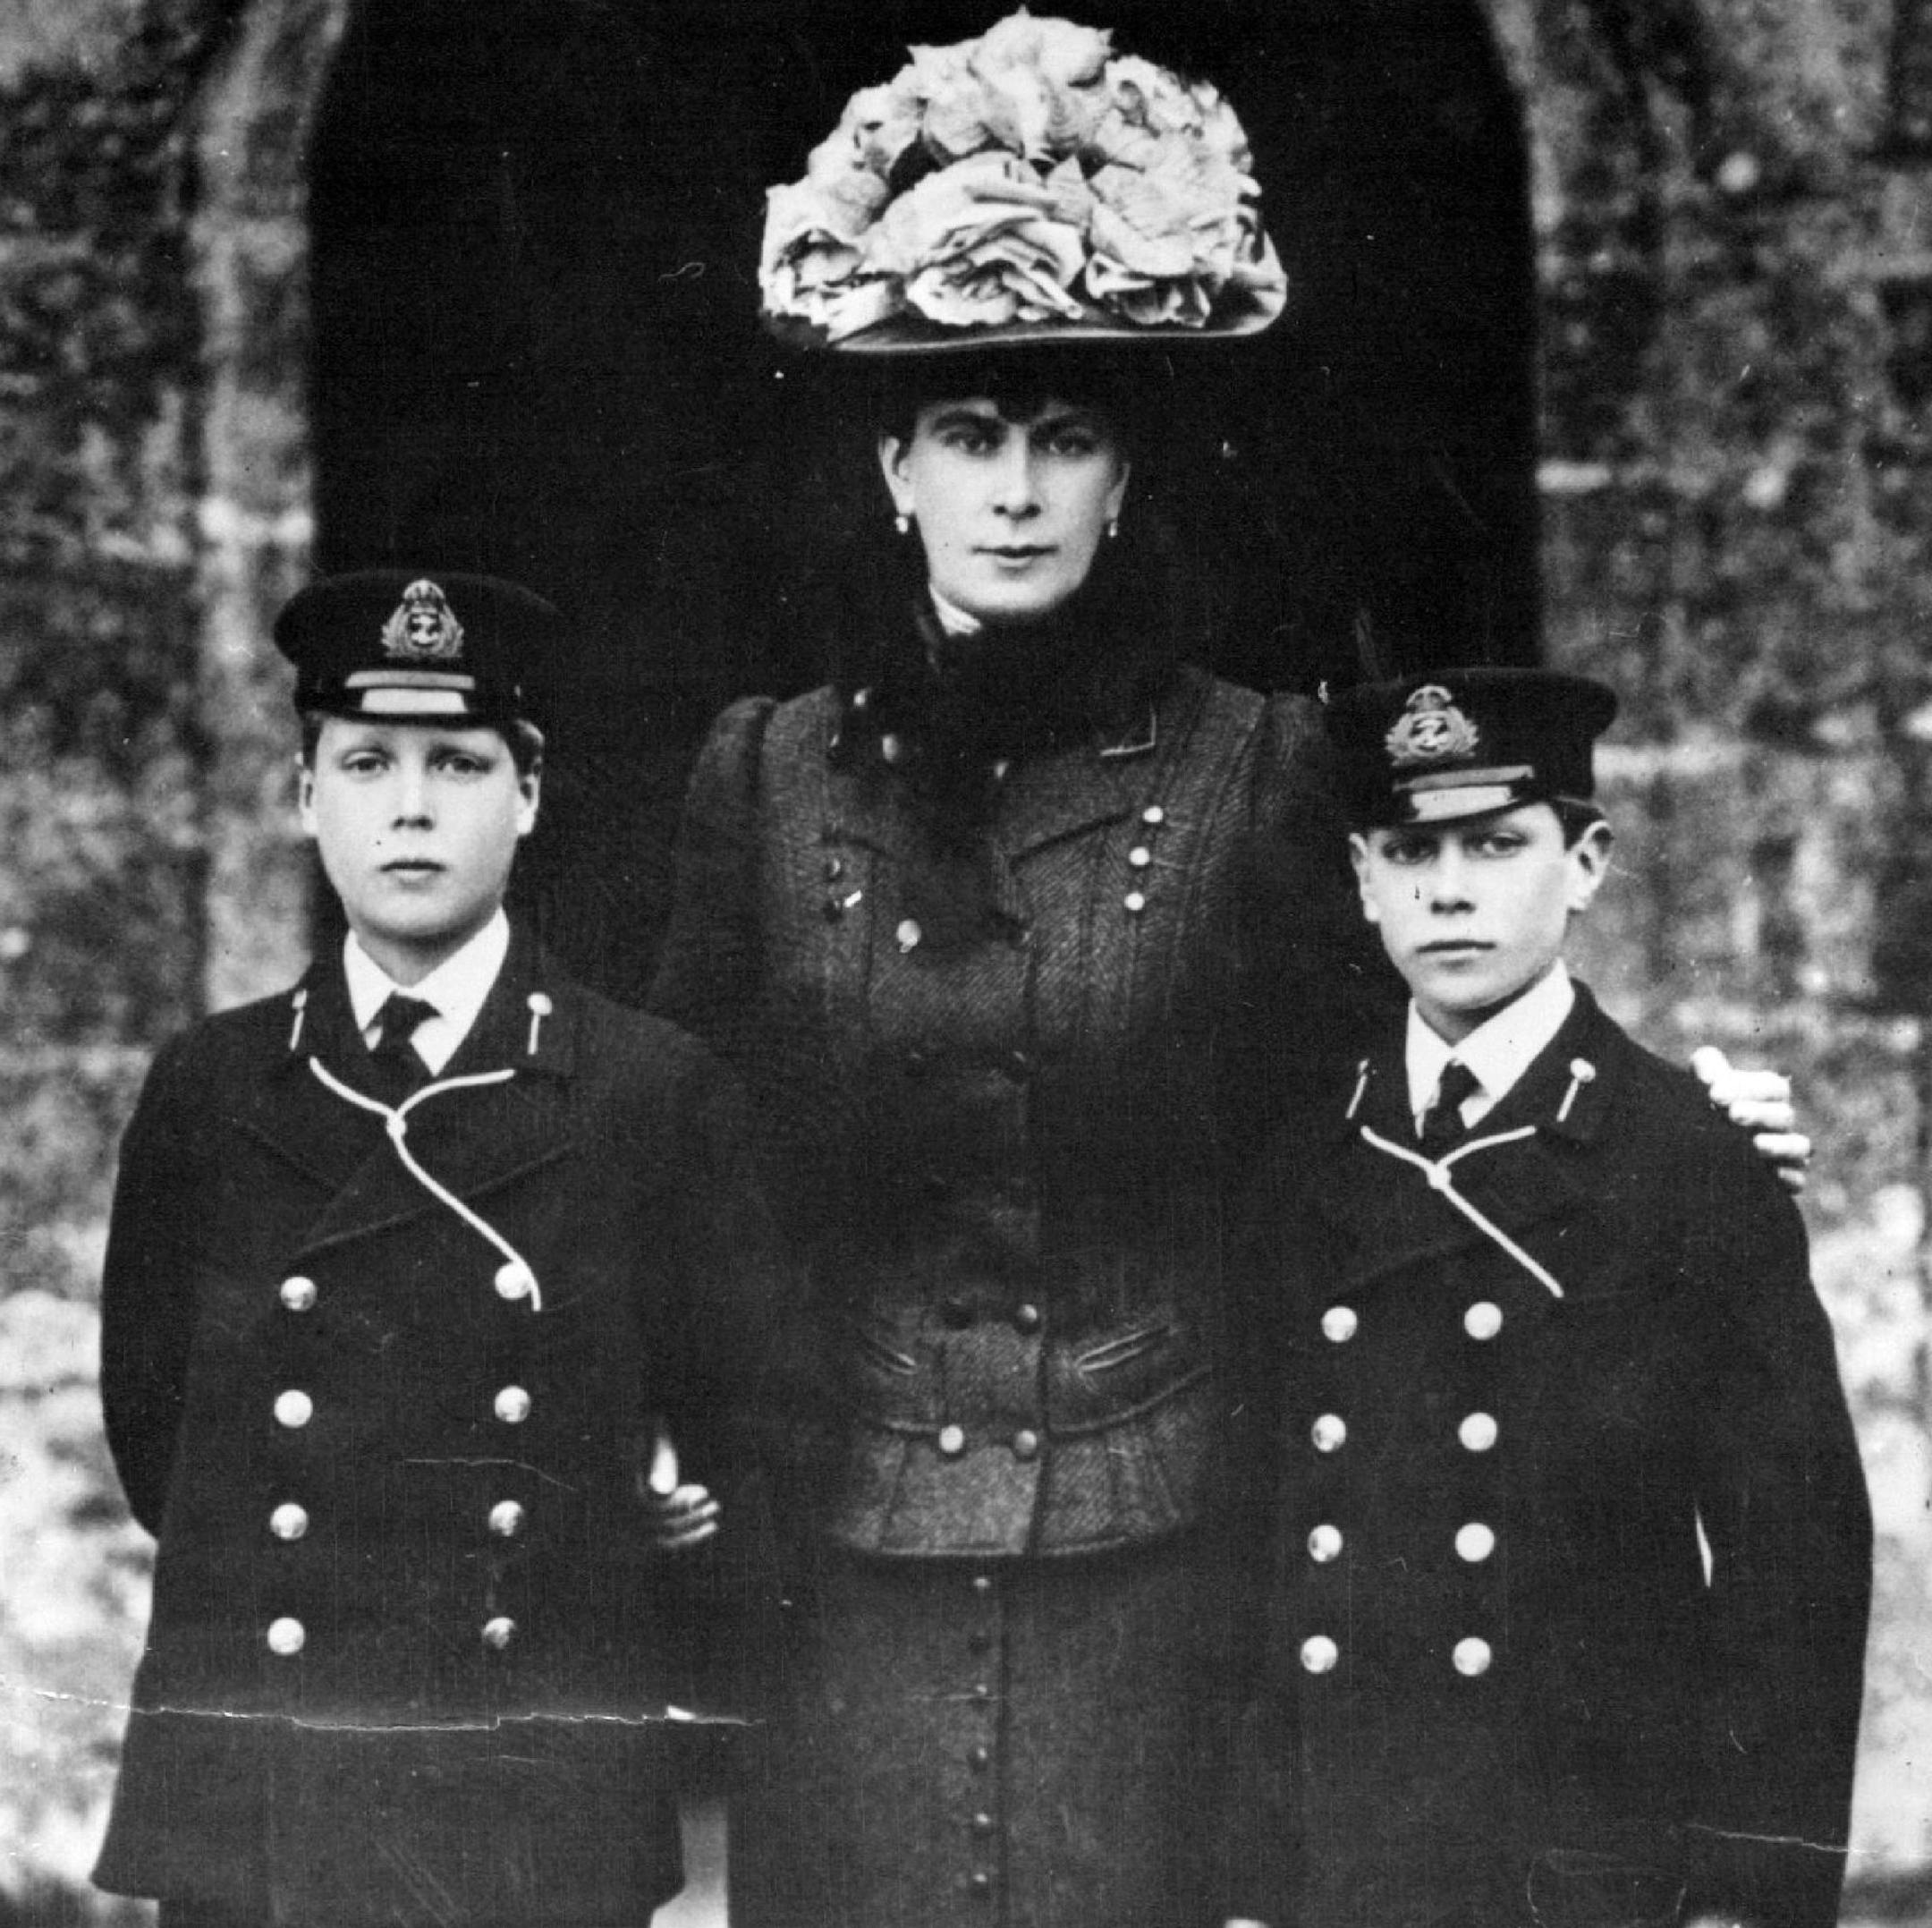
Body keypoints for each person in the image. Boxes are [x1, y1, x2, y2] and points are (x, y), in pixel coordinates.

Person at [659, 16, 1809, 1924]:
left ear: (1125, 481)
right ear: (894, 470)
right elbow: (670, 1138)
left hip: (1167, 1564)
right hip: (843, 1571)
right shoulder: (765, 775)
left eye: (1065, 435)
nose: (1014, 488)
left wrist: (1676, 1134)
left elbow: (1404, 1114)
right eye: (967, 434)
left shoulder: (1258, 765)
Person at [93, 570, 776, 1928]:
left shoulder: (645, 1092)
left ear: (528, 794)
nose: (411, 805)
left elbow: (729, 1428)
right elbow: (153, 1432)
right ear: (304, 797)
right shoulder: (214, 1089)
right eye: (366, 763)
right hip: (275, 1778)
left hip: (532, 1787)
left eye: (459, 763)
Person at [1219, 668, 1872, 1928]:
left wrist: (1751, 1894)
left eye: (1498, 845)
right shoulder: (1306, 1158)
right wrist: (1247, 1884)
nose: (1449, 889)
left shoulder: (1689, 1161)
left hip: (1585, 1867)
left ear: (1587, 863)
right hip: (1341, 1865)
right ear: (1362, 879)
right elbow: (1255, 1557)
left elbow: (1792, 1560)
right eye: (1411, 850)